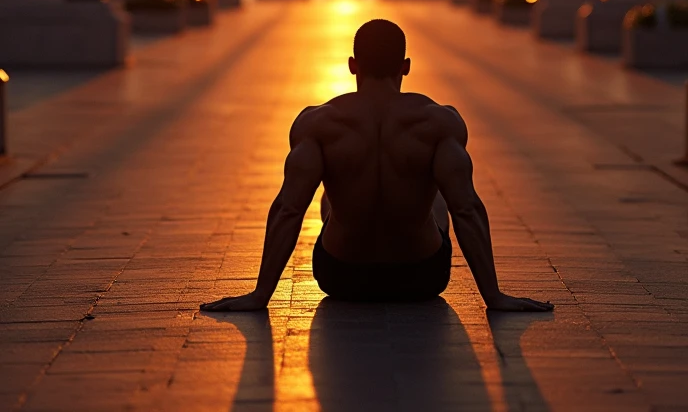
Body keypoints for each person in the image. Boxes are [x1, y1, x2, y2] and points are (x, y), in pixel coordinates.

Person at [201, 19, 553, 312]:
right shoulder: (439, 122)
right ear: (406, 67)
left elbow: (289, 209)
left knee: (328, 198)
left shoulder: (318, 123)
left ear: (353, 65)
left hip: (342, 277)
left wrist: (259, 297)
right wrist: (494, 298)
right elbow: (468, 209)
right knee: (441, 198)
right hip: (421, 278)